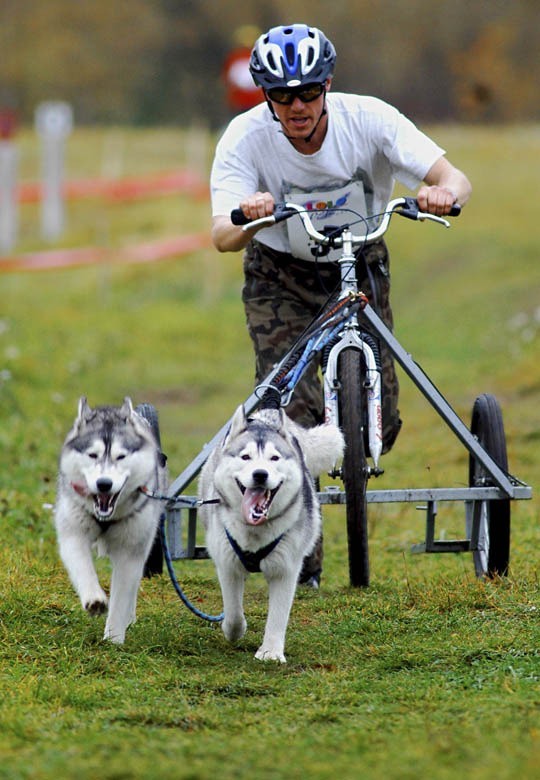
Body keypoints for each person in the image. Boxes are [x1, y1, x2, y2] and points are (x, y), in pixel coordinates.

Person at [210, 23, 472, 586]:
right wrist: (247, 215)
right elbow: (220, 234)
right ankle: (297, 558)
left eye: (308, 92)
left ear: (327, 85)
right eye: (282, 95)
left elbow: (454, 175)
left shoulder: (369, 119)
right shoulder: (244, 137)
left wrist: (442, 191)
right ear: (266, 97)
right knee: (286, 408)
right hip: (279, 274)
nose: (297, 106)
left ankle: (352, 450)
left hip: (360, 261)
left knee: (384, 417)